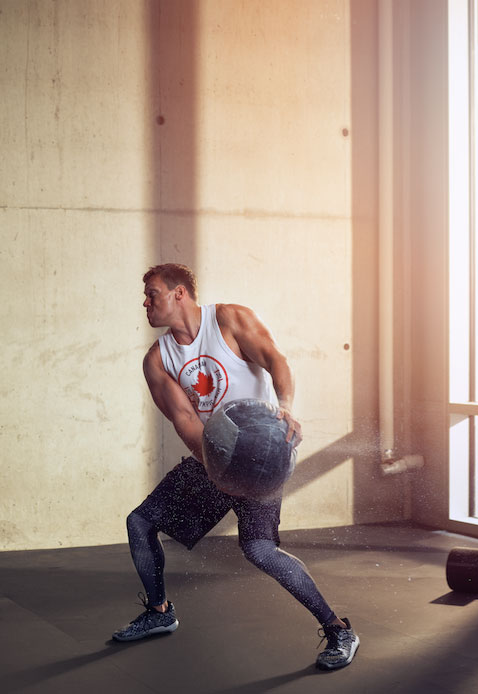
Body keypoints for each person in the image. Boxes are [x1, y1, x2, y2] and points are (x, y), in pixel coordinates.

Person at [111, 263, 360, 671]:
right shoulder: (158, 360)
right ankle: (159, 611)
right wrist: (215, 469)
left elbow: (276, 360)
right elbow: (186, 421)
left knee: (259, 549)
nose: (145, 303)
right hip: (212, 457)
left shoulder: (228, 319)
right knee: (140, 523)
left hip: (262, 455)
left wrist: (284, 407)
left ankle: (338, 630)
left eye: (152, 293)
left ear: (179, 294)